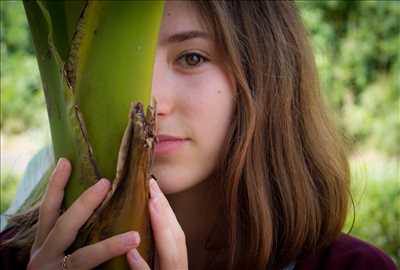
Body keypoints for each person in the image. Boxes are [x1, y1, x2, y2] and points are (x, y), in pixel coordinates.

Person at [0, 1, 397, 270]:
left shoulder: (354, 267)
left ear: (264, 77)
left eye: (192, 57)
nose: (151, 101)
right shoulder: (20, 257)